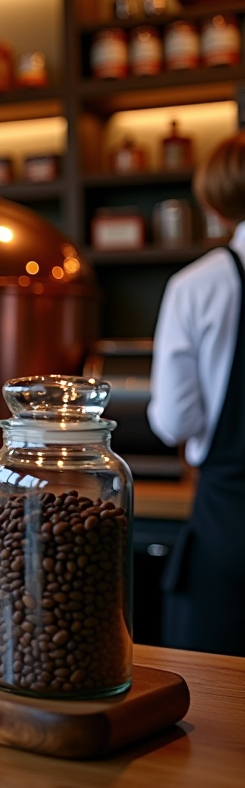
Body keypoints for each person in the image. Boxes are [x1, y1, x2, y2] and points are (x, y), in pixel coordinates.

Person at [149, 132, 245, 656]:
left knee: (217, 696)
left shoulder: (198, 285)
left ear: (214, 201)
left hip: (231, 517)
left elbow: (175, 421)